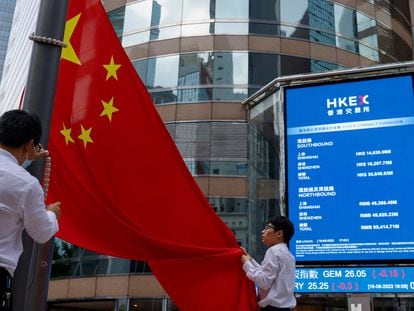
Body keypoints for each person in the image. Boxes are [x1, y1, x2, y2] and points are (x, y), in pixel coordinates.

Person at [0, 109, 61, 310]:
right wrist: (52, 213)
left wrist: (25, 159)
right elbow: (41, 232)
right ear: (29, 144)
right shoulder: (26, 184)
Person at [241, 216, 296, 311]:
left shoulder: (273, 251)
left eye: (267, 228)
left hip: (272, 308)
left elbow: (264, 281)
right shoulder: (288, 254)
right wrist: (250, 260)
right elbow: (268, 274)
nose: (263, 231)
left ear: (279, 233)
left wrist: (246, 263)